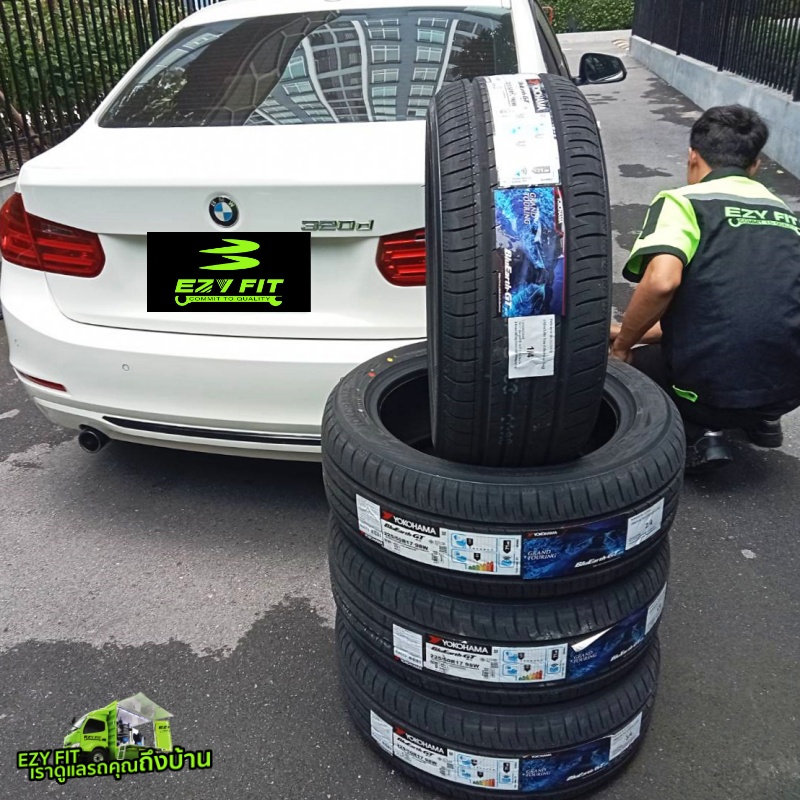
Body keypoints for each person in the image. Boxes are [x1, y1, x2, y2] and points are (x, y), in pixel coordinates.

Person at [610, 105, 800, 473]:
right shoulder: (785, 215)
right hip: (787, 390)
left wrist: (621, 347)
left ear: (693, 157)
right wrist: (624, 330)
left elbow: (661, 283)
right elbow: (741, 306)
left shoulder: (684, 202)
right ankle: (761, 419)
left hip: (707, 391)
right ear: (755, 165)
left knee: (617, 370)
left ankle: (700, 432)